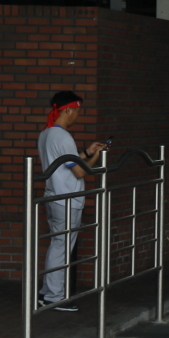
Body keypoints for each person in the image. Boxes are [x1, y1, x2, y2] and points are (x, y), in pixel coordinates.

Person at [37, 91, 107, 311]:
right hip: (67, 198)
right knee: (61, 247)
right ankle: (53, 296)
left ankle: (47, 292)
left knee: (57, 245)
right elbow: (79, 171)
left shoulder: (47, 133)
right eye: (77, 111)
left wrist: (87, 152)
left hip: (54, 196)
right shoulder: (63, 137)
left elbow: (66, 162)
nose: (78, 115)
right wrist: (96, 157)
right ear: (67, 110)